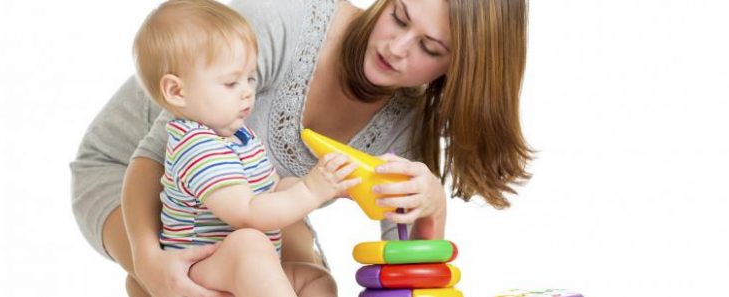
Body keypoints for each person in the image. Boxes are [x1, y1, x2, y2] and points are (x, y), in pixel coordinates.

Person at [70, 0, 531, 296]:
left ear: (460, 70)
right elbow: (151, 157)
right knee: (231, 266)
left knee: (307, 277)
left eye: (429, 47)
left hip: (254, 204)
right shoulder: (280, 25)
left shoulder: (407, 126)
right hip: (127, 175)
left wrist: (431, 211)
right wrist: (150, 264)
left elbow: (408, 274)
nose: (396, 46)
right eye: (399, 16)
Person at [128, 0, 359, 296]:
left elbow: (273, 191)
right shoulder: (197, 146)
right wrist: (312, 190)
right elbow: (248, 213)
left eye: (250, 77)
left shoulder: (239, 137)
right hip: (199, 271)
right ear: (177, 91)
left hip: (244, 268)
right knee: (250, 241)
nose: (248, 91)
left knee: (316, 279)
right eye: (230, 83)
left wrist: (326, 183)